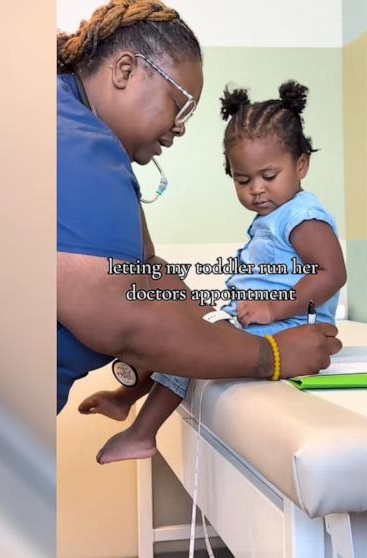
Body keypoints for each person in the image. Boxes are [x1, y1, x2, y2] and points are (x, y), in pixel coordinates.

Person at [57, 0, 342, 413]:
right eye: (179, 102)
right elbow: (123, 321)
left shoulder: (80, 133)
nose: (180, 127)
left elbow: (148, 267)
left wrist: (211, 322)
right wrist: (271, 356)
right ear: (125, 71)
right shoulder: (75, 142)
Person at [81, 81, 348, 464]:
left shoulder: (302, 217)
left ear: (301, 164)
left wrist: (274, 309)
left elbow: (331, 273)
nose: (256, 189)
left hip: (286, 329)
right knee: (182, 333)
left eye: (268, 176)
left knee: (196, 349)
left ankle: (142, 432)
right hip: (257, 319)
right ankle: (127, 396)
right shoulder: (273, 217)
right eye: (243, 180)